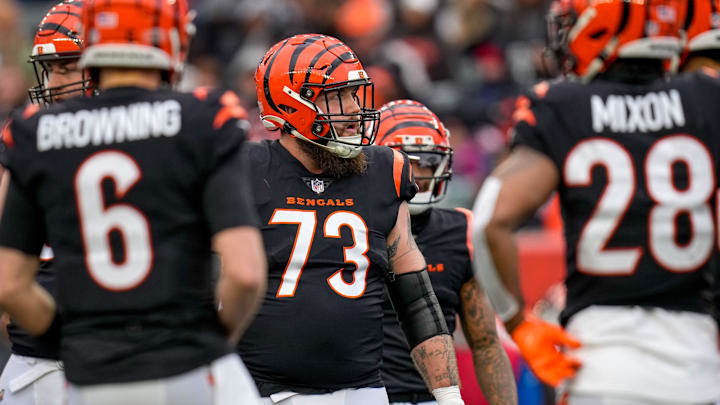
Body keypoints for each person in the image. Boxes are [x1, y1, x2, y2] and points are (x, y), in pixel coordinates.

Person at [0, 0, 267, 404]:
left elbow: (9, 284)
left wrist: (71, 342)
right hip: (188, 363)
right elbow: (245, 274)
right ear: (173, 41)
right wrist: (211, 343)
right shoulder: (204, 119)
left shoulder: (35, 135)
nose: (54, 82)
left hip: (90, 373)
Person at [471, 0, 720, 404]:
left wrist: (518, 321)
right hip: (698, 369)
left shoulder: (562, 106)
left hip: (602, 367)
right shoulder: (707, 99)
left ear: (600, 28)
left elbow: (488, 221)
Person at [239, 33, 465, 405]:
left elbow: (416, 300)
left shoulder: (384, 171)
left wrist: (449, 395)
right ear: (291, 103)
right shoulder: (246, 170)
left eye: (353, 94)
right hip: (268, 391)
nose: (353, 109)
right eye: (336, 96)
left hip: (365, 392)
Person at [375, 99, 517, 405]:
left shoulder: (460, 230)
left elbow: (485, 342)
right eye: (408, 162)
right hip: (366, 395)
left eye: (427, 163)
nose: (420, 174)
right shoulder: (352, 226)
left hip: (437, 396)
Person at [0, 1, 89, 404]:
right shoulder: (28, 138)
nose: (54, 82)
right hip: (44, 362)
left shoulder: (161, 139)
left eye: (67, 67)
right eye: (50, 68)